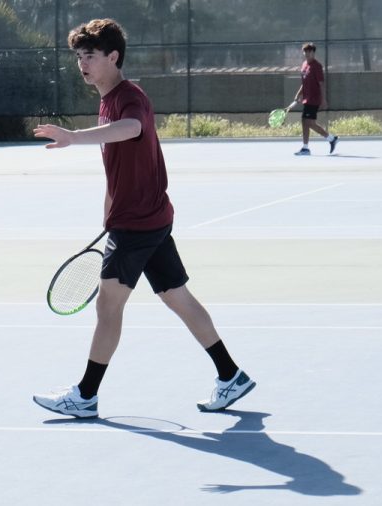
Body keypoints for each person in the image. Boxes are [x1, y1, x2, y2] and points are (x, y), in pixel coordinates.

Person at [31, 18, 254, 419]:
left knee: (108, 307)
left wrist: (74, 137)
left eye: (91, 56)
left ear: (113, 57)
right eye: (79, 56)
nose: (83, 63)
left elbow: (132, 129)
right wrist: (108, 212)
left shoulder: (129, 97)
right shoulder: (106, 99)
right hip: (143, 218)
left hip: (139, 223)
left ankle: (84, 396)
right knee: (176, 297)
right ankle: (231, 374)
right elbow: (117, 165)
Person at [293, 43, 339, 156]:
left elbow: (321, 84)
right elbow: (304, 83)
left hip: (314, 99)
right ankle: (305, 148)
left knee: (309, 123)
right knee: (305, 122)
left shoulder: (317, 66)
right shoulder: (304, 65)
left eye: (310, 52)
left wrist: (323, 100)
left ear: (313, 53)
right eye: (305, 52)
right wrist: (299, 94)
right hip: (306, 99)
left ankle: (331, 139)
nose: (307, 54)